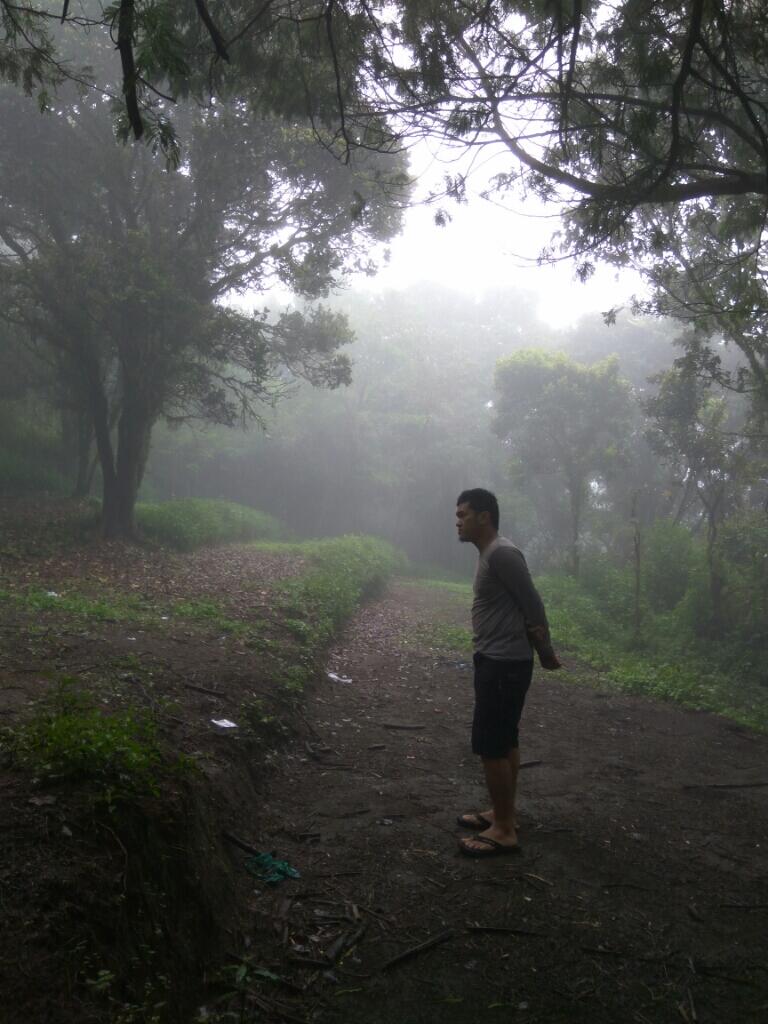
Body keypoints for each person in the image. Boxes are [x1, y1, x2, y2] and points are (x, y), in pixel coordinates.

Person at [455, 488, 561, 857]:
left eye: (464, 514)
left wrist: (546, 651)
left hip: (503, 662)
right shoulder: (490, 553)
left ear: (484, 516)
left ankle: (503, 830)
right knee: (506, 741)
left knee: (491, 745)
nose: (458, 521)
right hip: (498, 659)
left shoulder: (503, 554)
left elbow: (533, 603)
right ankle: (504, 814)